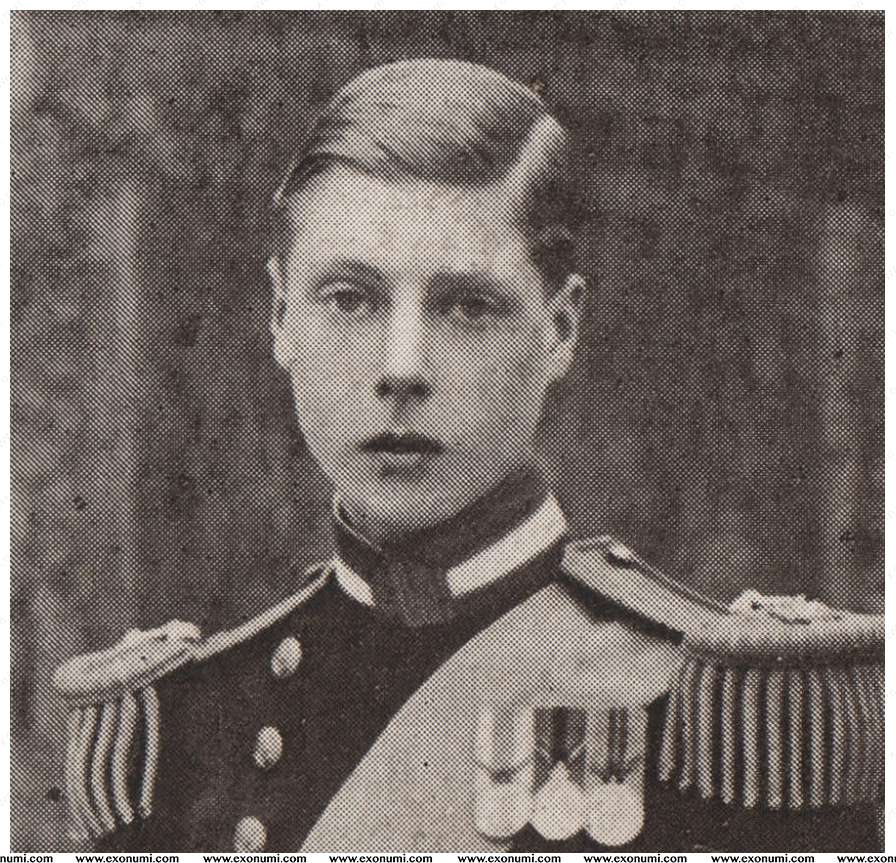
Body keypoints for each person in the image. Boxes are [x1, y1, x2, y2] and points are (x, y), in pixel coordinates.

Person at [53, 58, 882, 852]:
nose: (401, 367)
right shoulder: (187, 725)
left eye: (467, 306)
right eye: (350, 298)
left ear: (559, 328)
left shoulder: (724, 720)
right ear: (279, 316)